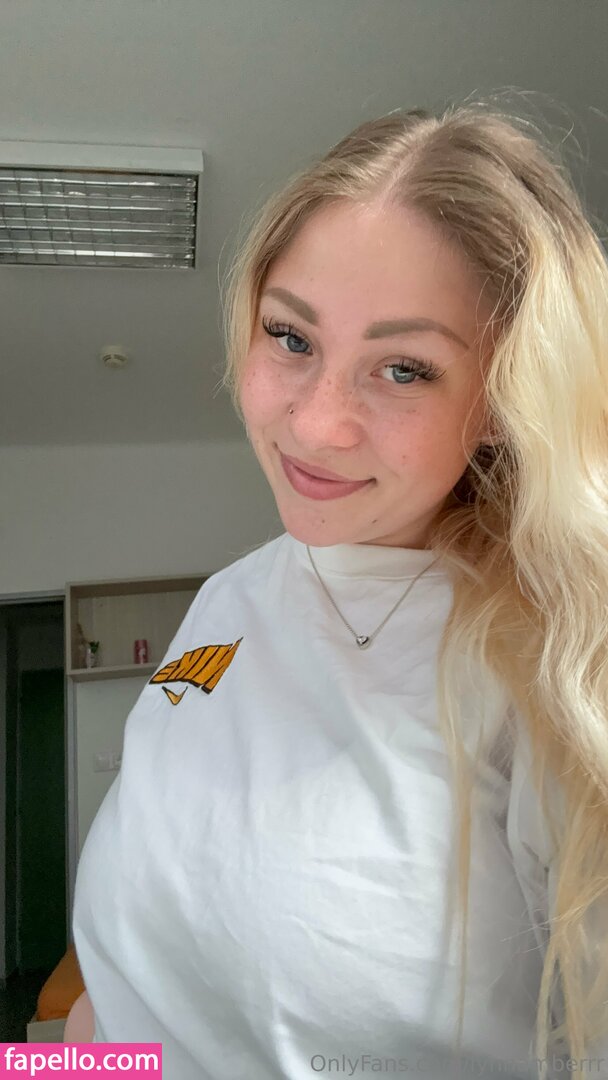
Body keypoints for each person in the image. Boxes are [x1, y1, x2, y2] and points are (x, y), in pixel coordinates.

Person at [70, 97, 608, 1079]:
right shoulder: (227, 600)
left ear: (503, 398)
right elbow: (126, 993)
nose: (317, 425)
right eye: (291, 337)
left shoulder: (561, 669)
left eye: (403, 369)